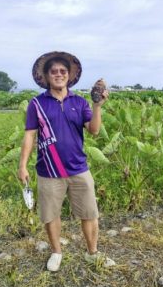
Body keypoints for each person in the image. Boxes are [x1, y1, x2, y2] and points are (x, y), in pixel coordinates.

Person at [18, 51, 115, 272]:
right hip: (48, 170)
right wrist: (22, 165)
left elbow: (94, 131)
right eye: (54, 71)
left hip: (78, 168)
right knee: (51, 214)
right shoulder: (37, 104)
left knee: (89, 213)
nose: (59, 74)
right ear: (46, 76)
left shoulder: (80, 102)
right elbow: (30, 135)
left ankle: (92, 252)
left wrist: (97, 105)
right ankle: (56, 252)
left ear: (69, 76)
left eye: (63, 71)